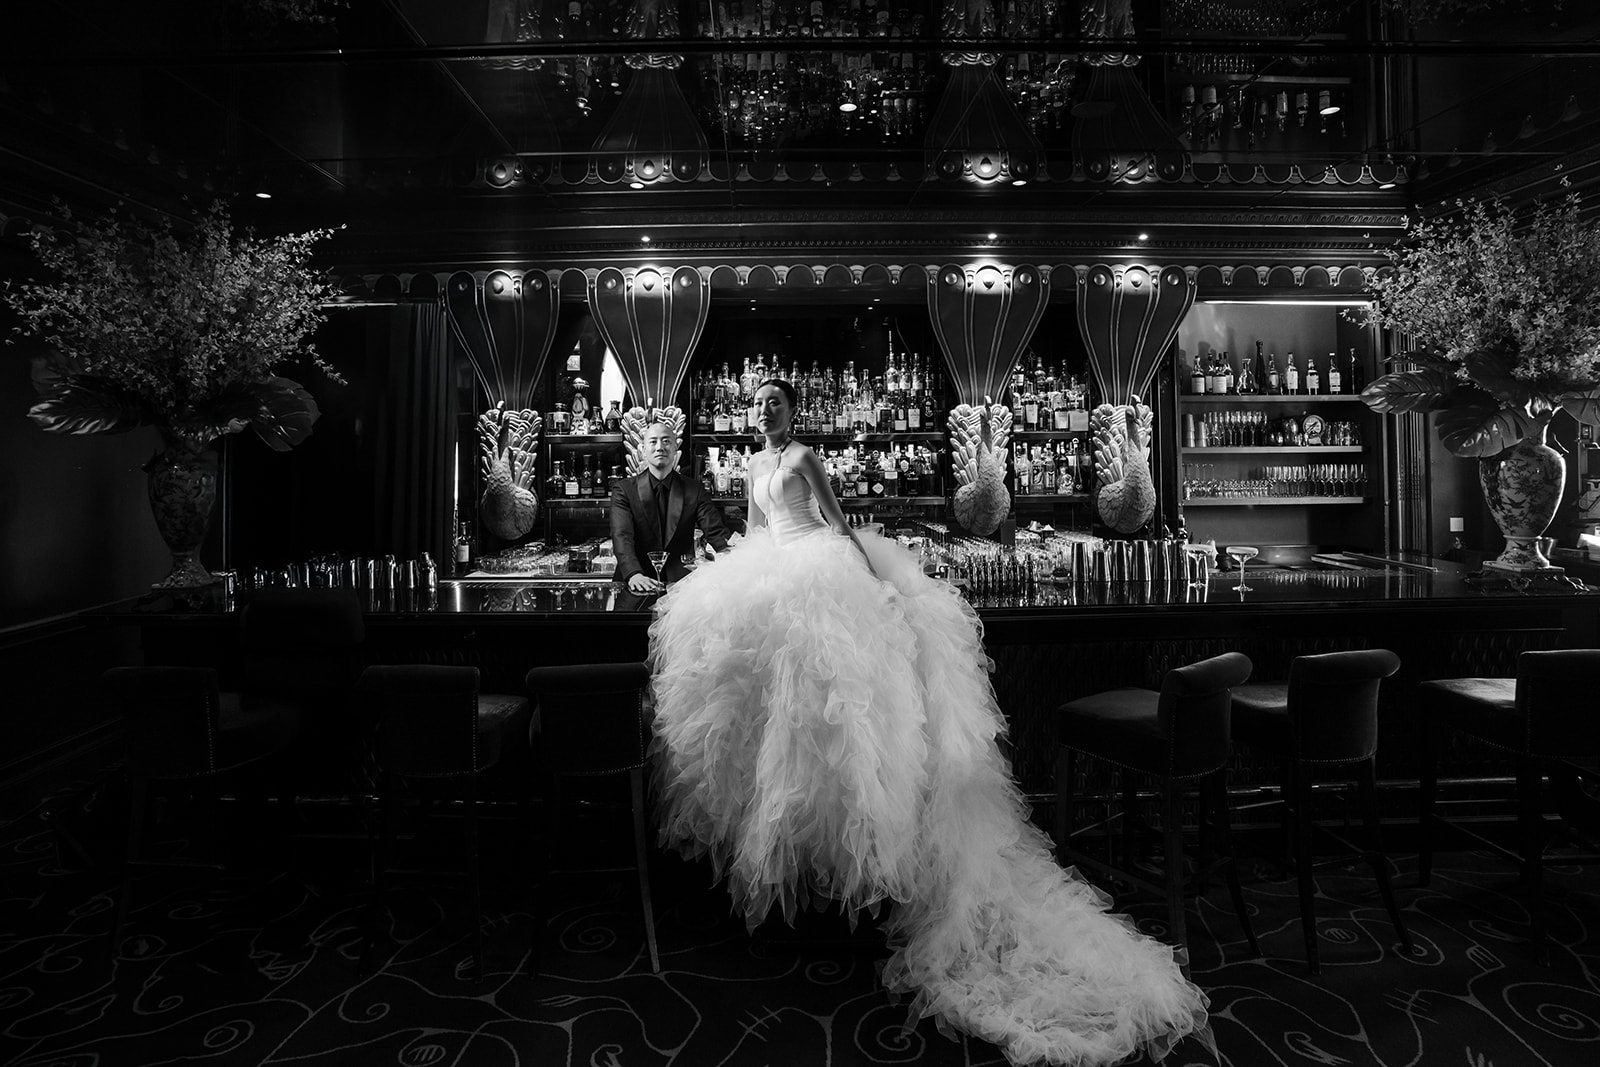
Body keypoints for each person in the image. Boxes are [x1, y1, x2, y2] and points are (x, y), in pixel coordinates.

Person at [648, 379, 1209, 1066]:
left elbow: (837, 524)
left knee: (835, 727)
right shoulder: (755, 464)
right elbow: (756, 531)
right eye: (760, 403)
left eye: (776, 403)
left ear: (792, 411)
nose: (766, 411)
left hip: (818, 577)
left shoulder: (802, 458)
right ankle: (801, 883)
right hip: (768, 579)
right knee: (775, 735)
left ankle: (839, 895)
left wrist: (874, 588)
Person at [609, 415, 731, 607]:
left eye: (666, 441)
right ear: (643, 450)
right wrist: (634, 573)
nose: (660, 447)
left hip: (681, 590)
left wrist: (741, 563)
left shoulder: (694, 490)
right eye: (653, 441)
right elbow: (621, 536)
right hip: (635, 585)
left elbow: (717, 534)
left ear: (675, 449)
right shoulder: (624, 490)